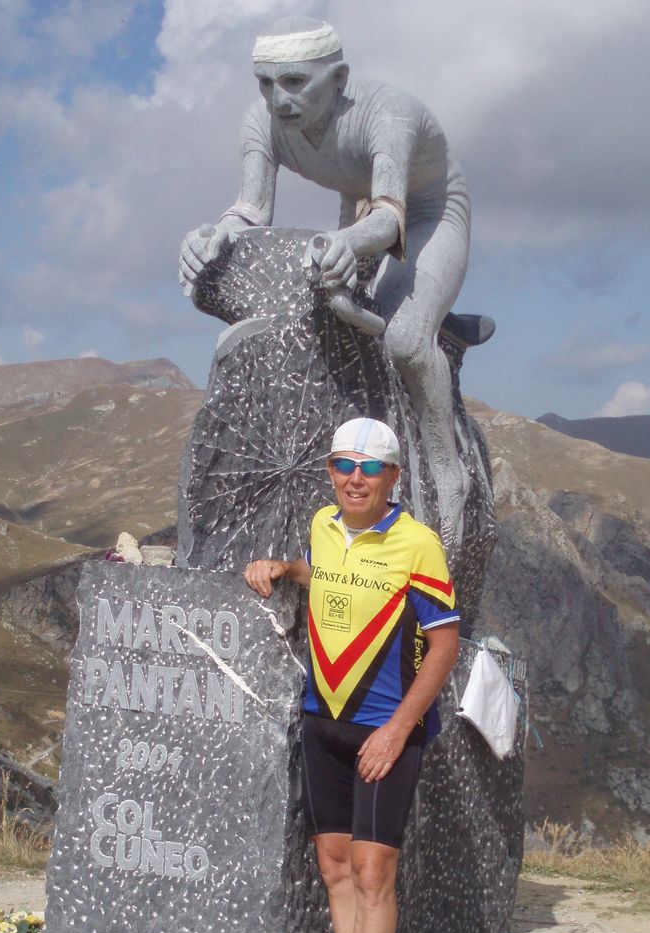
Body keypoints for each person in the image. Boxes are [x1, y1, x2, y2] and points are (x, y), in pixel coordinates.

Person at [180, 16, 475, 554]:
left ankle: (447, 470)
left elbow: (389, 217)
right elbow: (250, 210)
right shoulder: (261, 122)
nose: (279, 99)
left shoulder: (388, 114)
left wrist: (346, 243)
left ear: (338, 78)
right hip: (355, 212)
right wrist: (213, 236)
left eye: (295, 82)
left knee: (404, 341)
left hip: (427, 214)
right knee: (334, 327)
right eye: (266, 83)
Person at [244, 417, 459, 933]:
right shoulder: (323, 525)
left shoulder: (417, 544)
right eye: (343, 465)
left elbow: (444, 645)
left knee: (373, 872)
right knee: (335, 867)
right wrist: (284, 568)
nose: (355, 479)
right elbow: (323, 574)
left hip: (385, 727)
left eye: (370, 468)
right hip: (323, 720)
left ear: (393, 476)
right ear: (331, 471)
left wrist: (398, 730)